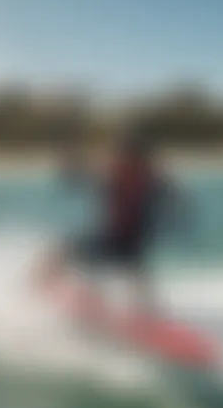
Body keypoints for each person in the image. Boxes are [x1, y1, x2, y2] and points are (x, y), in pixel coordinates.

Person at [37, 129, 191, 312]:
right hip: (134, 246)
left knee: (66, 252)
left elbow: (76, 177)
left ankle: (43, 287)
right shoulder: (153, 178)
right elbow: (178, 204)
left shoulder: (117, 174)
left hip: (114, 242)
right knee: (131, 273)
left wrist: (68, 162)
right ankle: (147, 312)